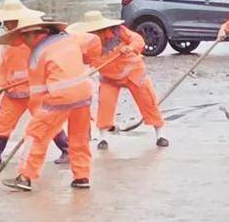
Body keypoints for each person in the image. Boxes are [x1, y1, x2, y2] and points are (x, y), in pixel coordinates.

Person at [2, 14, 102, 192]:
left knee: (35, 135)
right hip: (84, 93)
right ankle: (82, 177)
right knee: (79, 137)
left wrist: (37, 118)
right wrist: (88, 59)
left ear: (36, 34)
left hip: (59, 97)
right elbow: (94, 40)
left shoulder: (37, 55)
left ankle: (25, 176)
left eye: (25, 38)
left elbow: (37, 93)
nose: (24, 42)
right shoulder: (71, 38)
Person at [0, 0, 69, 166]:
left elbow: (48, 61)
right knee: (2, 124)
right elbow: (2, 67)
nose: (7, 24)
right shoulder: (7, 41)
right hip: (13, 92)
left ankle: (67, 150)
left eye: (10, 21)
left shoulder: (35, 38)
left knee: (46, 122)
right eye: (5, 21)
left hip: (35, 91)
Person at [66, 11, 168, 149]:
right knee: (105, 104)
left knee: (148, 102)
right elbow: (82, 59)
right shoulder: (87, 42)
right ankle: (103, 139)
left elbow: (137, 40)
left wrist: (130, 47)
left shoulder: (118, 31)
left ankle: (160, 135)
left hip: (134, 74)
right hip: (109, 78)